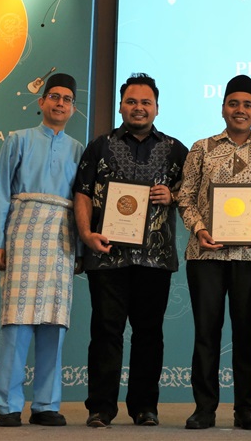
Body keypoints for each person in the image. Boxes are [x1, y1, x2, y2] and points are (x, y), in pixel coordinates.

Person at [73, 73, 188, 428]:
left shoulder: (176, 150)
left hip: (155, 258)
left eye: (145, 102)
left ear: (157, 108)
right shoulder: (99, 146)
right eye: (132, 102)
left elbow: (194, 195)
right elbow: (82, 192)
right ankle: (100, 407)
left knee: (149, 335)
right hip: (106, 255)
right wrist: (86, 234)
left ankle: (144, 407)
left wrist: (173, 195)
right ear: (121, 106)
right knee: (105, 333)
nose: (139, 108)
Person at [177, 74, 251, 430]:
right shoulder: (201, 148)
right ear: (223, 108)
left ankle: (245, 409)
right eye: (234, 103)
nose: (240, 110)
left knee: (245, 334)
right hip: (205, 255)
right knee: (206, 333)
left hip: (249, 258)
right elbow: (185, 196)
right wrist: (199, 228)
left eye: (247, 104)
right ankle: (204, 408)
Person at [0, 73, 84, 427]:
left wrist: (80, 250)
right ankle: (8, 405)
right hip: (21, 234)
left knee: (54, 324)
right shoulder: (18, 140)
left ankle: (46, 404)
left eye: (67, 99)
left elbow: (82, 202)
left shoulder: (78, 149)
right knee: (16, 323)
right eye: (54, 96)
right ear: (41, 102)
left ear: (73, 108)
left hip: (61, 239)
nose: (60, 103)